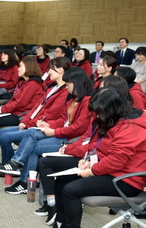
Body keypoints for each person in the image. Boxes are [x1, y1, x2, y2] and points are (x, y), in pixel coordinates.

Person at [38, 87, 146, 228]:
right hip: (113, 173)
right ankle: (60, 223)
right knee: (62, 182)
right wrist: (89, 162)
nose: (99, 117)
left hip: (126, 181)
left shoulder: (130, 127)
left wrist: (91, 171)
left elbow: (116, 159)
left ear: (111, 109)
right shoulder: (119, 122)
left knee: (70, 190)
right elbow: (106, 150)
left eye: (100, 113)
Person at [0, 67, 93, 196]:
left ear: (77, 82)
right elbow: (63, 119)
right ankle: (21, 173)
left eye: (68, 84)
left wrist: (54, 131)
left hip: (73, 139)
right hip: (64, 133)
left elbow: (79, 127)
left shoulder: (87, 101)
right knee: (32, 135)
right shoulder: (73, 99)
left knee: (34, 144)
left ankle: (21, 174)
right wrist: (49, 124)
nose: (66, 87)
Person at [0, 57, 46, 162]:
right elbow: (15, 100)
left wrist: (3, 109)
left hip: (21, 116)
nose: (18, 69)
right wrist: (2, 108)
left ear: (28, 68)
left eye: (21, 66)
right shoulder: (27, 82)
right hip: (16, 112)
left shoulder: (33, 84)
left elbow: (20, 102)